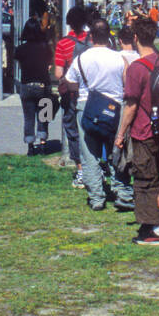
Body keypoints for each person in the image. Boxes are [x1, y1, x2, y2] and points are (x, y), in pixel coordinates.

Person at [65, 18, 133, 212]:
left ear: (91, 37)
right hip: (115, 109)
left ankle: (96, 197)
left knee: (89, 154)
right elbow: (127, 85)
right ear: (109, 35)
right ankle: (122, 191)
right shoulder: (120, 59)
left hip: (86, 107)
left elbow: (71, 82)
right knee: (116, 152)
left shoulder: (81, 59)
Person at [115, 16, 159, 245]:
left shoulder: (137, 68)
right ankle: (151, 223)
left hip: (142, 129)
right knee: (154, 172)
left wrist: (120, 134)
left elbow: (131, 105)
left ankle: (156, 229)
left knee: (145, 178)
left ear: (135, 38)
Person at [54, 5, 90, 185]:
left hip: (73, 94)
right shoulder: (93, 40)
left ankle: (81, 169)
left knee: (73, 130)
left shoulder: (63, 43)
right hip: (94, 93)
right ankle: (97, 165)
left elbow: (59, 73)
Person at [14, 14, 55, 156]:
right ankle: (43, 143)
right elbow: (49, 65)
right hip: (43, 85)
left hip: (26, 85)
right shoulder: (45, 48)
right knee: (44, 115)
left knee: (28, 116)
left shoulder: (20, 49)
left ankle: (30, 145)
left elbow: (20, 66)